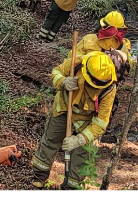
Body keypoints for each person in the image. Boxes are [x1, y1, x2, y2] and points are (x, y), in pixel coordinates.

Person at [31, 51, 117, 190]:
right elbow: (56, 72)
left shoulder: (109, 88)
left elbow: (101, 123)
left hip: (86, 120)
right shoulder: (77, 63)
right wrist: (63, 81)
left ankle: (71, 187)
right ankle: (39, 176)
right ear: (86, 72)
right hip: (64, 107)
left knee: (82, 154)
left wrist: (79, 140)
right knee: (51, 140)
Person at [76, 11, 133, 79]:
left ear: (103, 26)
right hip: (108, 85)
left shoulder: (89, 39)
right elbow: (127, 70)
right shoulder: (123, 48)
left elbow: (73, 59)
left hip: (84, 80)